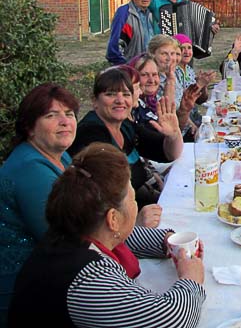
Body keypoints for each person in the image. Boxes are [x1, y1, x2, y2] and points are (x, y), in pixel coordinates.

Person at [9, 143, 206, 327]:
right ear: (113, 218)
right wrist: (191, 279)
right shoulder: (87, 279)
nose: (135, 205)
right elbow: (171, 320)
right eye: (132, 198)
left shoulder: (76, 230)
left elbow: (122, 238)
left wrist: (167, 242)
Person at [0, 84, 78, 322]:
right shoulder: (30, 168)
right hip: (23, 293)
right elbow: (66, 239)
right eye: (51, 115)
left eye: (70, 114)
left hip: (49, 276)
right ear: (29, 128)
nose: (64, 121)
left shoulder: (60, 155)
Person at [68, 69, 183, 207]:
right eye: (110, 94)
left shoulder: (125, 126)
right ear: (95, 101)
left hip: (139, 204)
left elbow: (169, 154)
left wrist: (173, 135)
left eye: (126, 94)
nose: (120, 100)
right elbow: (106, 196)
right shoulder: (91, 134)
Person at [106, 0, 158, 65]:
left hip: (150, 68)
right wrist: (127, 67)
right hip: (131, 68)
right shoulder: (124, 13)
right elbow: (115, 47)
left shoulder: (152, 14)